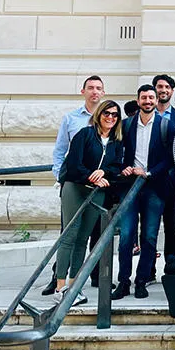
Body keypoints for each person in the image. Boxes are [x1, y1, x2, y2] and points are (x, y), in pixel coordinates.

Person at [55, 100, 123, 306]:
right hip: (75, 188)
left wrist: (105, 172)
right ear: (99, 114)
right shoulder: (84, 135)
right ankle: (60, 287)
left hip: (97, 193)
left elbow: (116, 166)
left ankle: (74, 286)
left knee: (83, 239)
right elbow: (74, 165)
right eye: (106, 113)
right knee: (69, 235)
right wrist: (91, 177)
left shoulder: (116, 141)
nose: (110, 117)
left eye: (114, 114)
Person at [112, 84, 175, 301]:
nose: (148, 101)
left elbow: (170, 159)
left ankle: (142, 280)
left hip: (153, 186)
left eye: (151, 98)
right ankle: (123, 281)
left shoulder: (165, 126)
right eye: (144, 98)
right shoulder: (126, 125)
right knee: (126, 237)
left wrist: (148, 172)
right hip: (129, 186)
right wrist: (123, 167)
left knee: (149, 236)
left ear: (156, 100)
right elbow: (116, 152)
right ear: (138, 100)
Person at [45, 75, 106, 296]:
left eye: (99, 88)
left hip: (96, 188)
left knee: (90, 234)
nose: (94, 92)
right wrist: (61, 177)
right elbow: (60, 151)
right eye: (90, 88)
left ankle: (83, 280)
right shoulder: (71, 119)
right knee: (68, 233)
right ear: (83, 91)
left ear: (103, 93)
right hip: (73, 184)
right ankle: (57, 280)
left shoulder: (107, 119)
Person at [152, 74, 175, 276]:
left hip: (173, 180)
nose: (162, 90)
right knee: (150, 228)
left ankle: (171, 267)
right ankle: (148, 270)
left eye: (166, 87)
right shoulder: (143, 115)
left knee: (172, 227)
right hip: (150, 180)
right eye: (159, 87)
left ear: (172, 91)